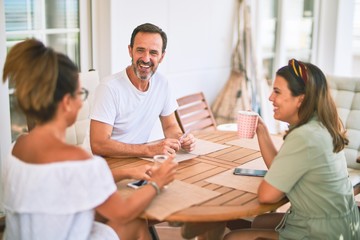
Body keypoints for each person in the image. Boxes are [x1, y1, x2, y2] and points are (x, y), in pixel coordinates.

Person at [1, 38, 178, 240]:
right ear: (67, 102)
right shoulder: (77, 159)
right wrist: (157, 182)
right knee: (135, 221)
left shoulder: (16, 147)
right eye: (81, 93)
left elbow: (68, 183)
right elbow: (123, 212)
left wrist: (127, 172)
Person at [223, 59, 360, 239]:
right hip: (342, 225)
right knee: (259, 222)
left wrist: (268, 184)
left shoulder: (304, 136)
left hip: (322, 233)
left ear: (300, 100)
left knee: (231, 238)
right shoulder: (319, 124)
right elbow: (281, 170)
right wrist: (262, 131)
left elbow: (267, 195)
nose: (270, 98)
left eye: (277, 92)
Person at [90, 23, 196, 158]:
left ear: (162, 57)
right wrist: (148, 150)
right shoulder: (109, 88)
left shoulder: (162, 83)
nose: (146, 58)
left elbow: (170, 127)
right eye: (140, 50)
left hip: (138, 161)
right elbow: (98, 145)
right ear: (130, 51)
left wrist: (182, 139)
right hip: (104, 166)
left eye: (153, 52)